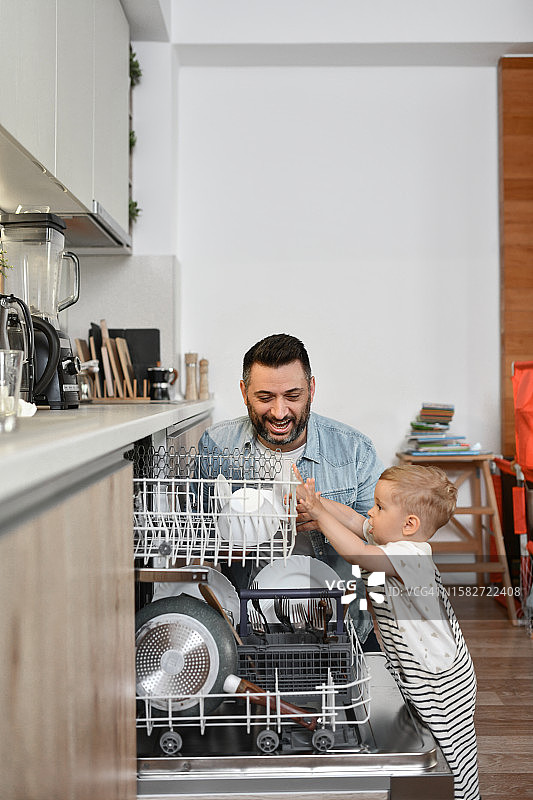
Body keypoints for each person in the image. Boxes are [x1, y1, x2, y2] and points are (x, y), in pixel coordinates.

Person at [294, 463, 480, 800]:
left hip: (439, 677)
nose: (371, 511)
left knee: (452, 750)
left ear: (409, 525)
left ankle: (463, 795)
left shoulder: (411, 555)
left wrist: (320, 517)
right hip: (416, 669)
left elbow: (358, 553)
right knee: (422, 734)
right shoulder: (393, 539)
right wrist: (316, 503)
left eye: (379, 507)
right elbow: (355, 521)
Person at [197, 332, 383, 647]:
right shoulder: (217, 445)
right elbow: (198, 540)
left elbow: (382, 544)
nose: (280, 412)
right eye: (265, 397)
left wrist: (324, 518)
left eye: (293, 396)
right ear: (244, 392)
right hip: (250, 633)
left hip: (342, 629)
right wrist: (245, 534)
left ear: (311, 389)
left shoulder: (354, 450)